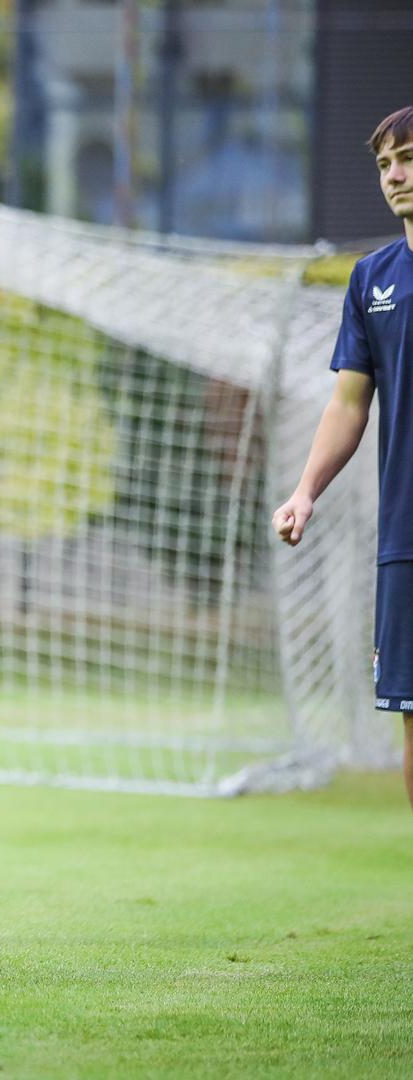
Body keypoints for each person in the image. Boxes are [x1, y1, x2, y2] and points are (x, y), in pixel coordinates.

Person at [274, 104, 413, 809]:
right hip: (405, 539)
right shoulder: (371, 280)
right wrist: (304, 492)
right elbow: (348, 404)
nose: (394, 175)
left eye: (407, 158)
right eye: (385, 163)